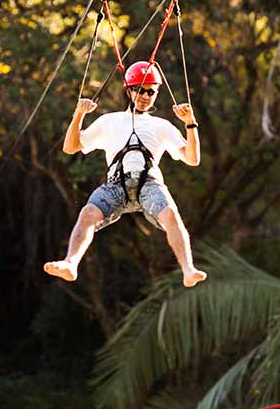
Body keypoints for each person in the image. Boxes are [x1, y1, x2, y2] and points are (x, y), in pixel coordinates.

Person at [43, 61, 207, 287]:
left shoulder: (161, 125)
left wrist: (190, 124)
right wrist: (79, 115)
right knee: (88, 213)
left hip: (149, 184)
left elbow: (192, 158)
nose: (145, 96)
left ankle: (188, 269)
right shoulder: (109, 121)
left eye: (151, 91)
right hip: (116, 185)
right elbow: (70, 147)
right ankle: (71, 263)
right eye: (140, 89)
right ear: (129, 90)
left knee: (171, 215)